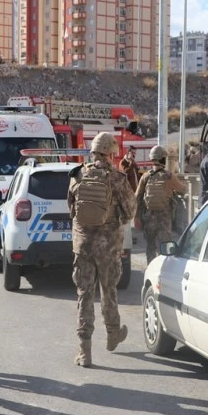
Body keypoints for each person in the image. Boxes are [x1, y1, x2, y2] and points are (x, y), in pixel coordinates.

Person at [67, 132, 136, 367]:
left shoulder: (77, 174)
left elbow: (71, 209)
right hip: (108, 247)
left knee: (84, 295)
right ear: (111, 152)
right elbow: (129, 212)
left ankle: (84, 351)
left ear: (93, 150)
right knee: (109, 291)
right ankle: (113, 333)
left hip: (83, 246)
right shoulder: (117, 178)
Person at [135, 145, 187, 263]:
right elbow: (183, 190)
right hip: (164, 217)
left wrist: (137, 216)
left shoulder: (146, 176)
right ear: (163, 159)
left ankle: (150, 269)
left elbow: (137, 197)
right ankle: (164, 269)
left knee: (150, 247)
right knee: (165, 247)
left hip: (149, 217)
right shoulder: (168, 176)